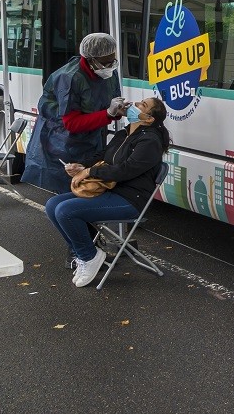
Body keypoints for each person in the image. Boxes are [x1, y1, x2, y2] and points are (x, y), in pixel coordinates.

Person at [45, 97, 170, 287]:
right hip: (109, 189)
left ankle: (89, 256)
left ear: (149, 119)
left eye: (142, 105)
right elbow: (103, 156)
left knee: (66, 211)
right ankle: (83, 255)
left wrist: (90, 172)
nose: (135, 105)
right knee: (52, 205)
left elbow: (125, 170)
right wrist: (81, 166)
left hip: (130, 199)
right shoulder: (124, 133)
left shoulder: (150, 141)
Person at [21, 33, 127, 193]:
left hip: (91, 137)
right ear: (90, 59)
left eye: (113, 61)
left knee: (89, 183)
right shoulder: (70, 78)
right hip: (62, 141)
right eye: (105, 63)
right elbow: (71, 123)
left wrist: (118, 110)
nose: (110, 66)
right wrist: (107, 114)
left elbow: (108, 102)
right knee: (70, 187)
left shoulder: (109, 72)